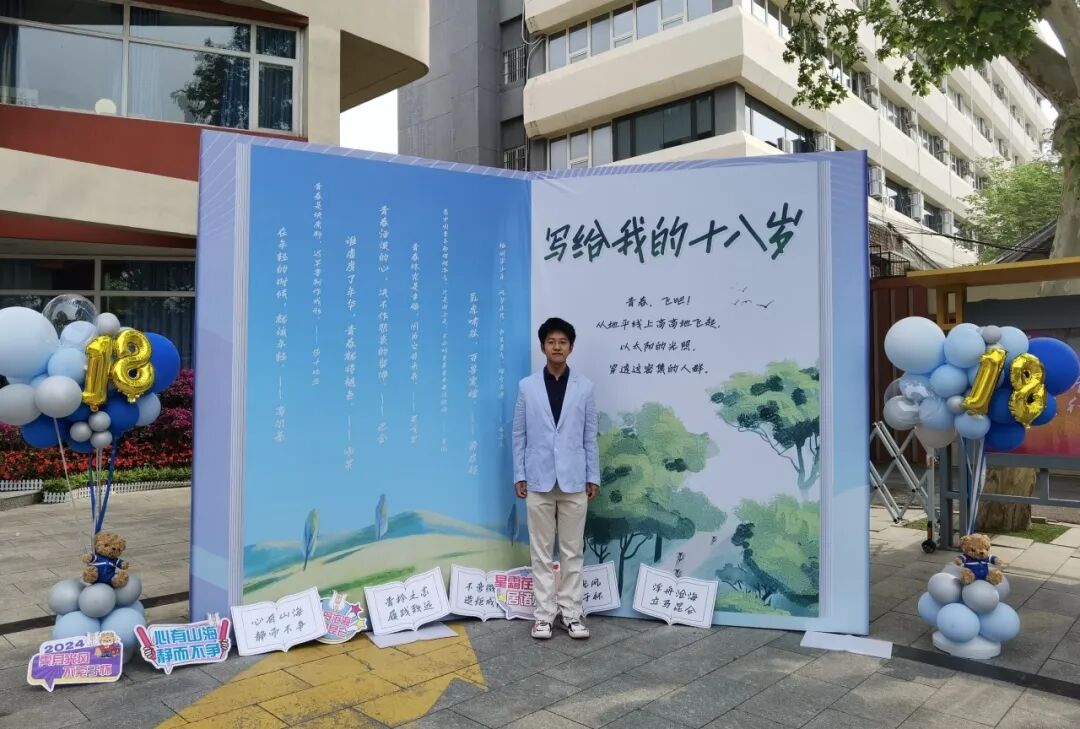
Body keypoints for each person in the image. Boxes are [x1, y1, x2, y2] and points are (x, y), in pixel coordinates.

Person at [512, 317, 599, 640]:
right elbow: (519, 433)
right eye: (551, 342)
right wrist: (519, 474)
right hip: (538, 479)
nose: (557, 347)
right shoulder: (527, 386)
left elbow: (590, 436)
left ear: (571, 348)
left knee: (572, 551)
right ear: (543, 347)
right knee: (541, 552)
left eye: (563, 342)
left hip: (575, 480)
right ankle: (544, 616)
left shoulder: (585, 387)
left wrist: (593, 475)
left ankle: (572, 615)